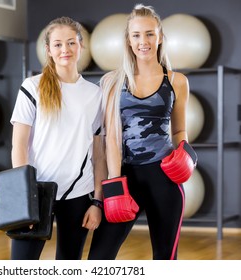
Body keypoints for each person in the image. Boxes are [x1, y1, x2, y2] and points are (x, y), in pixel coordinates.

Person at [88, 4, 190, 260]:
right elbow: (110, 136)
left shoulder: (176, 80)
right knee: (99, 257)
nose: (143, 41)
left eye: (149, 34)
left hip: (164, 176)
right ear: (128, 40)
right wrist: (114, 183)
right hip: (124, 176)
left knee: (166, 257)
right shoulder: (112, 81)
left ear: (160, 37)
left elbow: (179, 129)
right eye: (136, 35)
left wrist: (185, 154)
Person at [10, 16, 106, 260]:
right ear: (48, 50)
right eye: (58, 44)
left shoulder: (95, 94)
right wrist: (24, 198)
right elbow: (18, 146)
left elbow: (98, 153)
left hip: (77, 194)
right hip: (36, 191)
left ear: (81, 46)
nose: (65, 50)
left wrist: (97, 202)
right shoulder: (32, 87)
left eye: (71, 43)